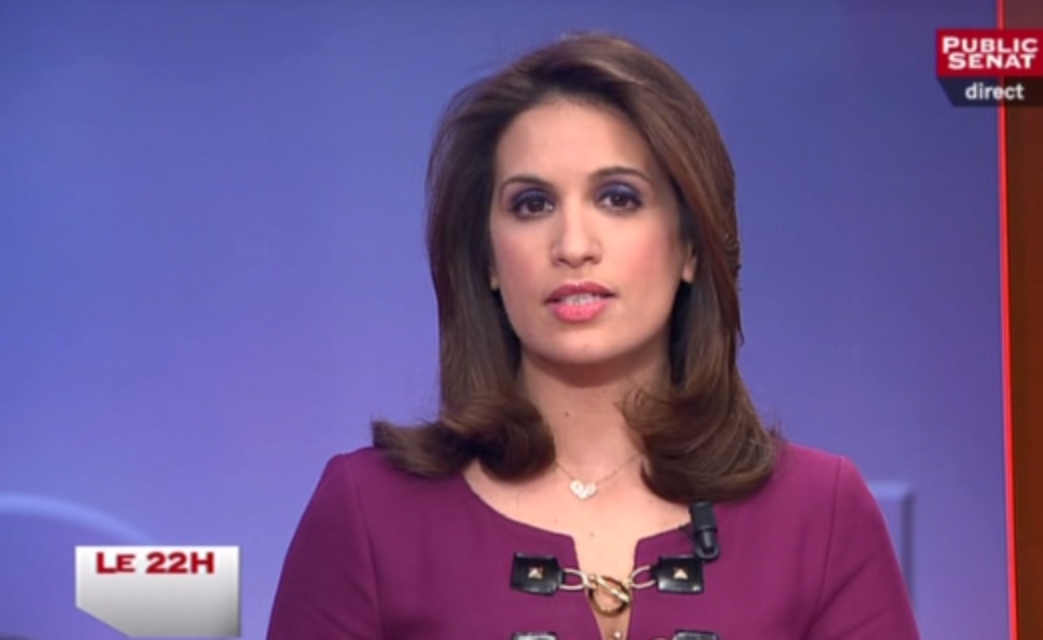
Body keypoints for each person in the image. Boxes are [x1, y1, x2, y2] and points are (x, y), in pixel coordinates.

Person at [266, 31, 920, 640]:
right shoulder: (370, 514)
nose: (573, 245)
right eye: (532, 205)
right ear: (488, 259)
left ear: (691, 246)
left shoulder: (820, 514)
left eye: (618, 198)